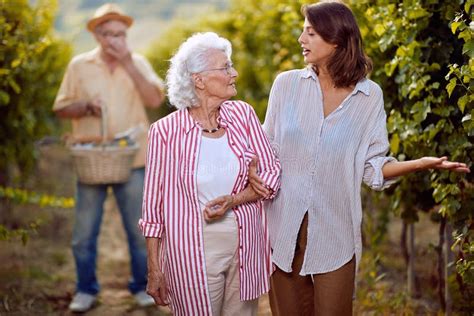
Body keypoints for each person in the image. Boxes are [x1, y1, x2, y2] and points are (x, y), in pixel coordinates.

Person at [247, 2, 471, 315]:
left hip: (335, 232)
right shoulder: (286, 86)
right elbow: (264, 148)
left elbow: (373, 167)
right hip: (282, 229)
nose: (301, 39)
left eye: (310, 33)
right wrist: (251, 167)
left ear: (336, 40)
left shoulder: (368, 97)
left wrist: (422, 164)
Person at [139, 32, 281, 315]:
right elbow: (152, 211)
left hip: (244, 250)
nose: (235, 73)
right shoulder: (165, 132)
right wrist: (154, 269)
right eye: (225, 67)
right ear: (199, 79)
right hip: (190, 253)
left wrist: (235, 199)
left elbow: (272, 174)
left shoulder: (243, 115)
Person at [53, 3, 165, 312]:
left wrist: (128, 62)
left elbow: (155, 99)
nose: (115, 39)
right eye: (109, 34)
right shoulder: (79, 65)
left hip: (134, 159)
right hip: (93, 160)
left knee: (140, 230)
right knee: (84, 234)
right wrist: (85, 105)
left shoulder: (138, 62)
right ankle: (86, 289)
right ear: (98, 36)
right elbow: (60, 108)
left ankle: (141, 287)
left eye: (121, 34)